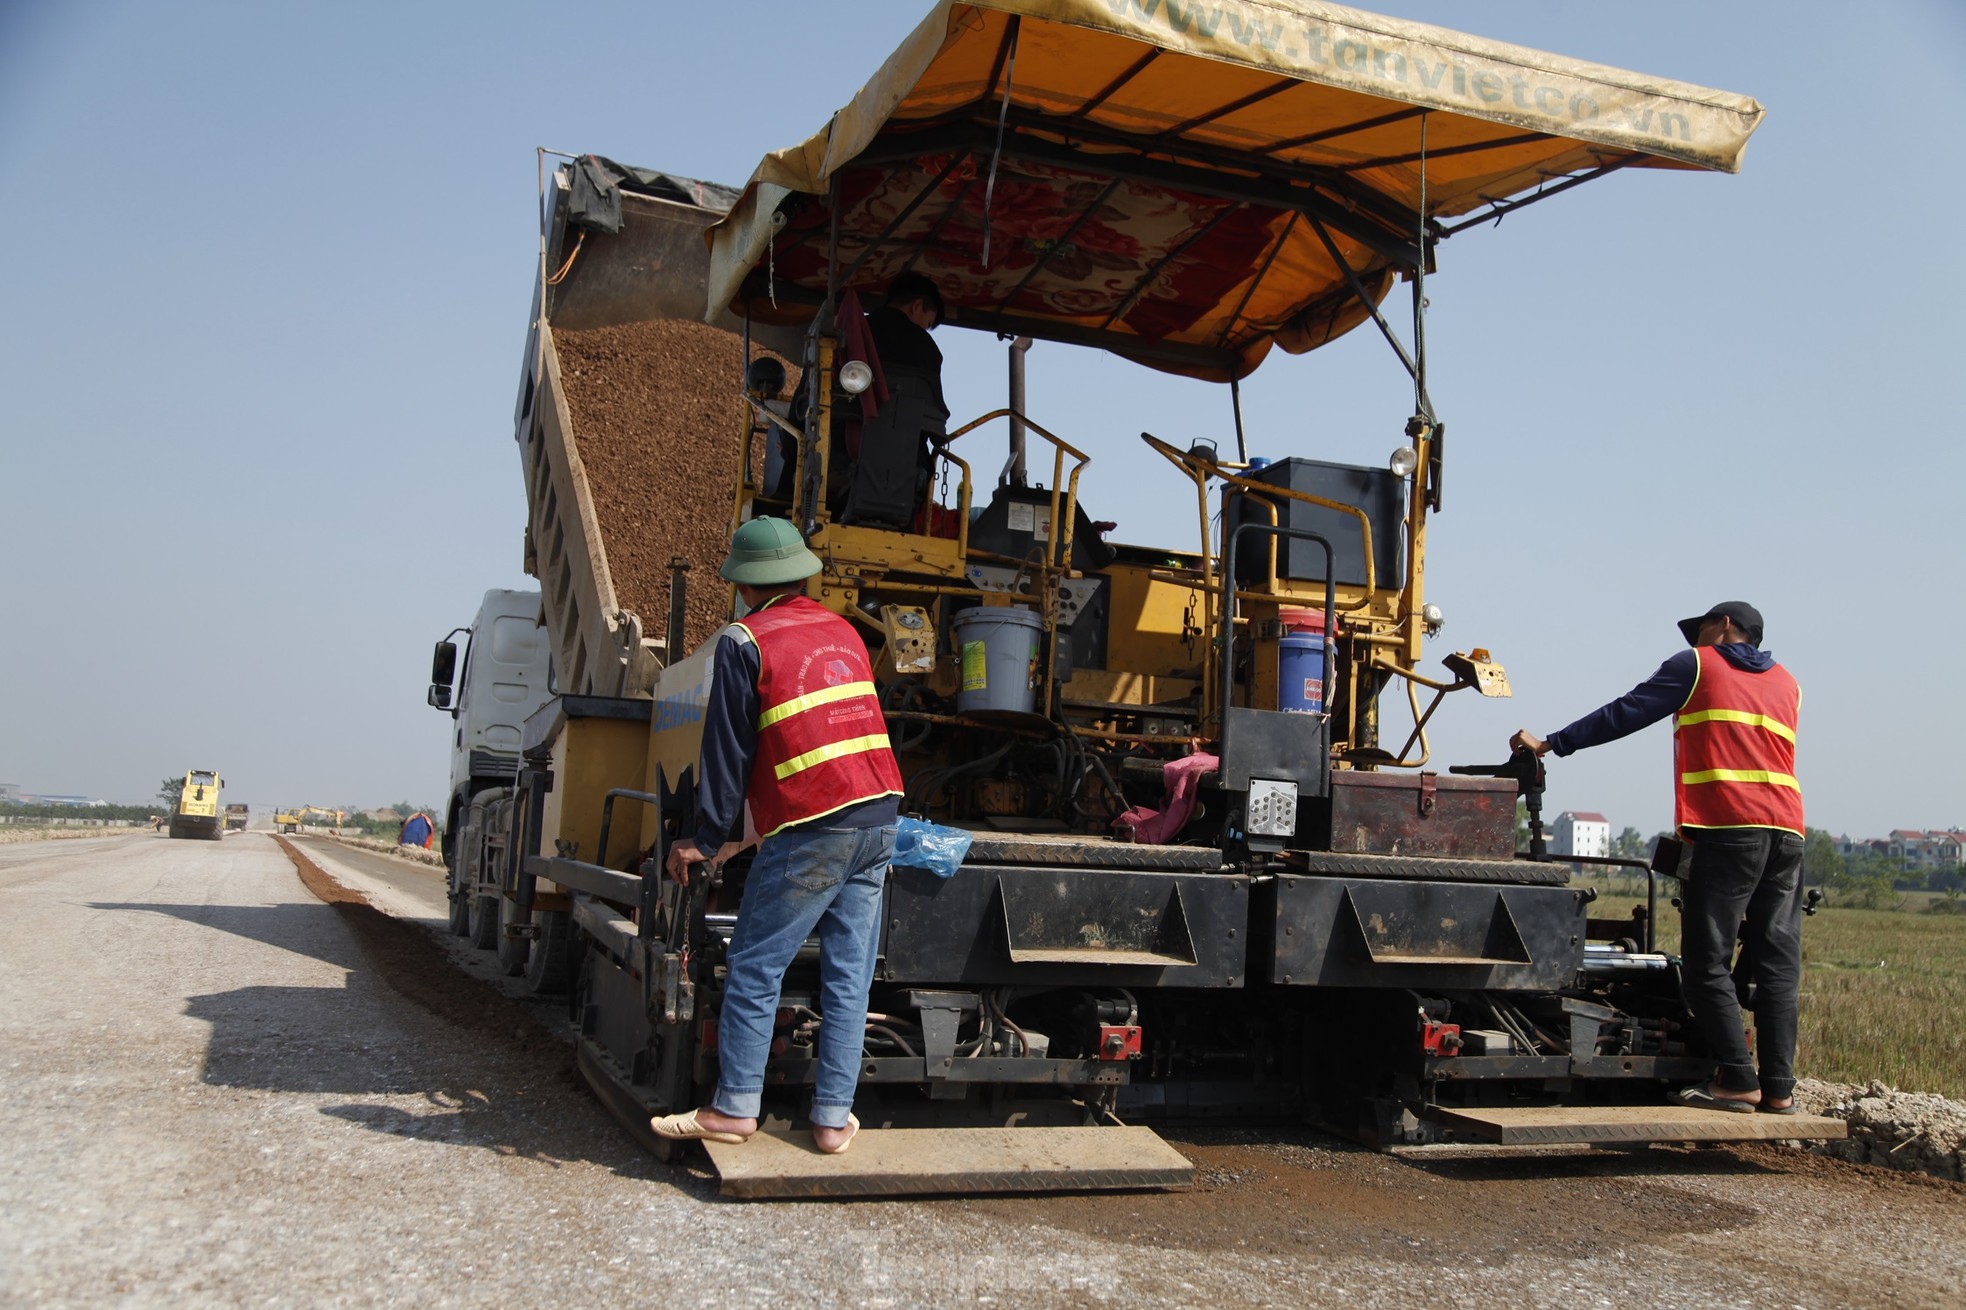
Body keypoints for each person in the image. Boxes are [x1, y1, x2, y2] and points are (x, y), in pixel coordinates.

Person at [650, 517, 903, 1155]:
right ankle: (831, 1122)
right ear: (800, 575)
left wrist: (708, 838)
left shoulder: (743, 641)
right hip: (879, 816)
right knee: (849, 976)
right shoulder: (844, 629)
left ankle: (735, 1108)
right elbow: (817, 741)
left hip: (815, 828)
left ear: (744, 585)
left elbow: (729, 752)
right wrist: (748, 836)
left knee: (757, 965)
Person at [1510, 601, 1804, 1114]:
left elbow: (1628, 710)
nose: (1697, 639)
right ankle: (1779, 1088)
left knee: (1705, 964)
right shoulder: (1788, 682)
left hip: (1728, 828)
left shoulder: (1696, 664)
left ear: (1727, 627)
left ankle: (1737, 1080)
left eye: (1704, 629)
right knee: (1777, 967)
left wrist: (1552, 744)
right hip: (1789, 834)